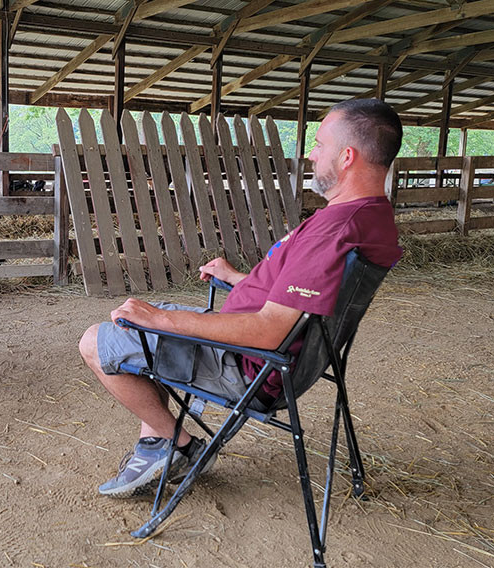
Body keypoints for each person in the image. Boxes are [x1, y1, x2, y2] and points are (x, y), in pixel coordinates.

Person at [79, 99, 405, 498]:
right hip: (281, 355)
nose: (311, 154)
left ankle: (179, 445)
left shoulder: (333, 231)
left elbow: (269, 330)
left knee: (97, 341)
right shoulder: (371, 216)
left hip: (250, 365)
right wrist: (239, 279)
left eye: (319, 145)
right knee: (141, 327)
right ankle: (156, 444)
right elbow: (296, 299)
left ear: (347, 156)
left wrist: (161, 322)